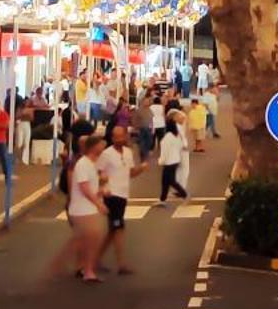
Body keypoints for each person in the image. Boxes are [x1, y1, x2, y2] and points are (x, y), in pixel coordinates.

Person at [52, 135, 109, 283]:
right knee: (88, 241)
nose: (103, 147)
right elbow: (83, 188)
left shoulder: (91, 164)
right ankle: (82, 269)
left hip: (87, 209)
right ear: (93, 147)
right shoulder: (83, 164)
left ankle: (83, 268)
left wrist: (101, 192)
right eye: (100, 144)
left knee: (86, 240)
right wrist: (99, 204)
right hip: (82, 210)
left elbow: (89, 187)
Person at [97, 125, 147, 275]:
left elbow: (130, 173)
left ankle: (95, 258)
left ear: (125, 136)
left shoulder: (128, 153)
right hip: (111, 195)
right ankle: (121, 264)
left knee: (113, 229)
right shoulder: (106, 154)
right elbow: (98, 173)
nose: (117, 139)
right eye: (115, 136)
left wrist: (141, 169)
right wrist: (102, 185)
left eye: (120, 136)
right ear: (112, 138)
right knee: (119, 228)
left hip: (123, 195)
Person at [158, 118, 189, 204]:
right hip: (175, 160)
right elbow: (181, 146)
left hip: (169, 162)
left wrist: (161, 161)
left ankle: (183, 193)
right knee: (165, 180)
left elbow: (164, 151)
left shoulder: (167, 138)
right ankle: (162, 199)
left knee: (170, 180)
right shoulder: (176, 136)